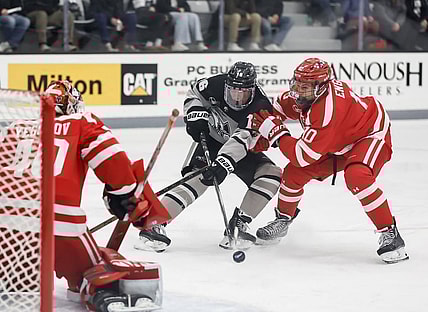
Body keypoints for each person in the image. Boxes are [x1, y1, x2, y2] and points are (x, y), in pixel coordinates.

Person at [250, 57, 409, 264]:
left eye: (304, 86)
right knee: (293, 173)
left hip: (369, 133)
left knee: (357, 177)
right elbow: (275, 109)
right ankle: (283, 220)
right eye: (296, 83)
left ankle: (391, 234)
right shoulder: (308, 96)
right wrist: (256, 135)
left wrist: (277, 135)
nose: (298, 90)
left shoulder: (327, 110)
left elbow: (302, 156)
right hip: (339, 138)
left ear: (321, 87)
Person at [44, 80, 169, 311]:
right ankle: (107, 294)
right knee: (97, 271)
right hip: (58, 220)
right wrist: (122, 194)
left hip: (7, 224)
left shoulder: (17, 127)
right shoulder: (81, 122)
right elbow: (113, 161)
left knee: (15, 275)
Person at [135, 61, 282, 252]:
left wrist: (224, 162)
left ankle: (238, 224)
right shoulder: (215, 84)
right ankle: (154, 222)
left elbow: (243, 138)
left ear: (253, 90)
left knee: (272, 174)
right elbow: (194, 94)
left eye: (243, 92)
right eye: (233, 90)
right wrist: (195, 115)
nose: (237, 96)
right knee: (198, 178)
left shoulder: (261, 107)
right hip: (211, 140)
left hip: (243, 148)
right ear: (227, 85)